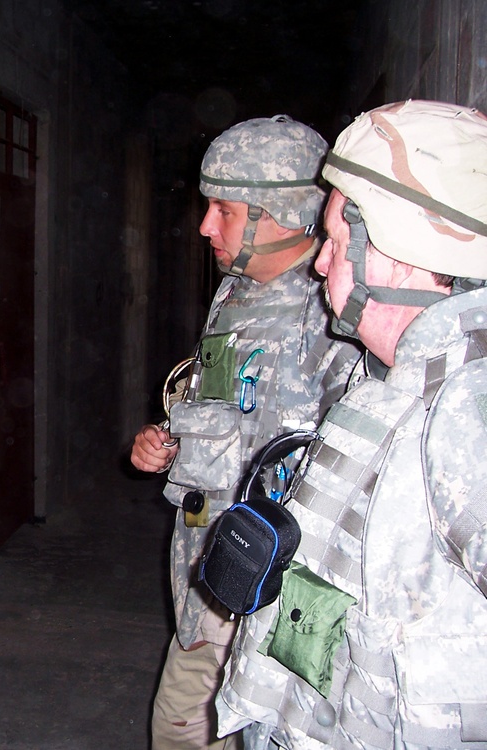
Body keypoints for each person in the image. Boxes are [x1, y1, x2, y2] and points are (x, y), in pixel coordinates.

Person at [215, 100, 487, 749]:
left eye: (337, 244)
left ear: (391, 253)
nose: (319, 264)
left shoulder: (468, 409)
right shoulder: (386, 379)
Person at [130, 115, 359, 750]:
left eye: (224, 211)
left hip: (275, 589)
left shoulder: (335, 311)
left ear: (282, 213)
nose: (205, 227)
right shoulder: (233, 292)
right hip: (207, 574)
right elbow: (223, 403)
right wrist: (168, 438)